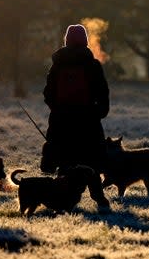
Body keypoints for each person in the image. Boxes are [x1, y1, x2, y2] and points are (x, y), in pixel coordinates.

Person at [42, 23, 112, 210]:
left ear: (66, 41)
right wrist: (98, 112)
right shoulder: (93, 65)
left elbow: (48, 93)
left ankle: (61, 201)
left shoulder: (57, 65)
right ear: (85, 41)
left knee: (64, 163)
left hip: (61, 123)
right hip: (87, 122)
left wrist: (57, 109)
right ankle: (100, 200)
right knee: (91, 165)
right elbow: (102, 92)